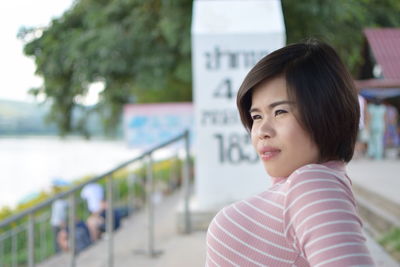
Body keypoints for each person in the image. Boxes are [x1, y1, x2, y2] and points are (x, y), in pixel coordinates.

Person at [205, 40, 375, 266]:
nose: (262, 131)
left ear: (325, 113)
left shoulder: (313, 183)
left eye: (280, 111)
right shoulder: (302, 186)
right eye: (257, 117)